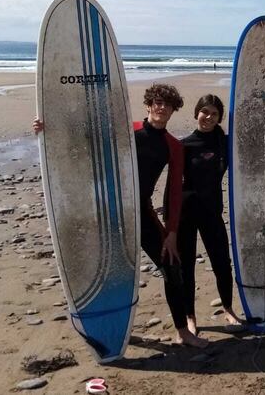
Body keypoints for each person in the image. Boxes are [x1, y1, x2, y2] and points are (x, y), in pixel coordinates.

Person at [33, 83, 208, 348]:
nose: (161, 107)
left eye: (167, 104)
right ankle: (115, 329)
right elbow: (86, 139)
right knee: (112, 272)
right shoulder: (127, 130)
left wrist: (171, 232)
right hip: (108, 212)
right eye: (157, 102)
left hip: (140, 211)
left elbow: (173, 192)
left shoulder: (173, 146)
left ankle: (183, 332)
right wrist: (49, 129)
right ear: (148, 105)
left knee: (173, 267)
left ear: (173, 110)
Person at [177, 94, 242, 333]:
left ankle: (228, 309)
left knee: (222, 263)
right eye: (204, 111)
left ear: (219, 118)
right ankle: (190, 317)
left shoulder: (225, 143)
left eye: (214, 114)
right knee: (186, 267)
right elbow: (173, 182)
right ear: (196, 113)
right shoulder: (183, 145)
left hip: (212, 211)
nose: (208, 117)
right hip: (186, 212)